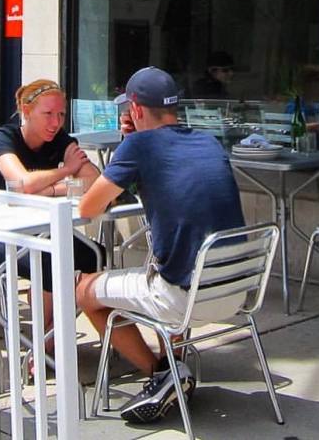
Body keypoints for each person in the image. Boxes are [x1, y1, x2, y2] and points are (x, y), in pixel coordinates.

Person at [76, 66, 245, 425]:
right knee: (165, 267)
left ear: (136, 109)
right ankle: (173, 368)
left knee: (85, 292)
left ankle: (164, 375)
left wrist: (128, 148)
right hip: (236, 290)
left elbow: (89, 208)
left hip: (184, 298)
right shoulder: (209, 141)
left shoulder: (139, 146)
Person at [0, 79, 101, 327]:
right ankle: (44, 340)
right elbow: (23, 183)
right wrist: (67, 170)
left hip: (39, 230)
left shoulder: (59, 139)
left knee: (94, 254)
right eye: (48, 114)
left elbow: (94, 179)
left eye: (61, 115)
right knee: (50, 258)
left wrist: (49, 190)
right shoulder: (3, 138)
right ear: (26, 111)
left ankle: (52, 333)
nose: (56, 123)